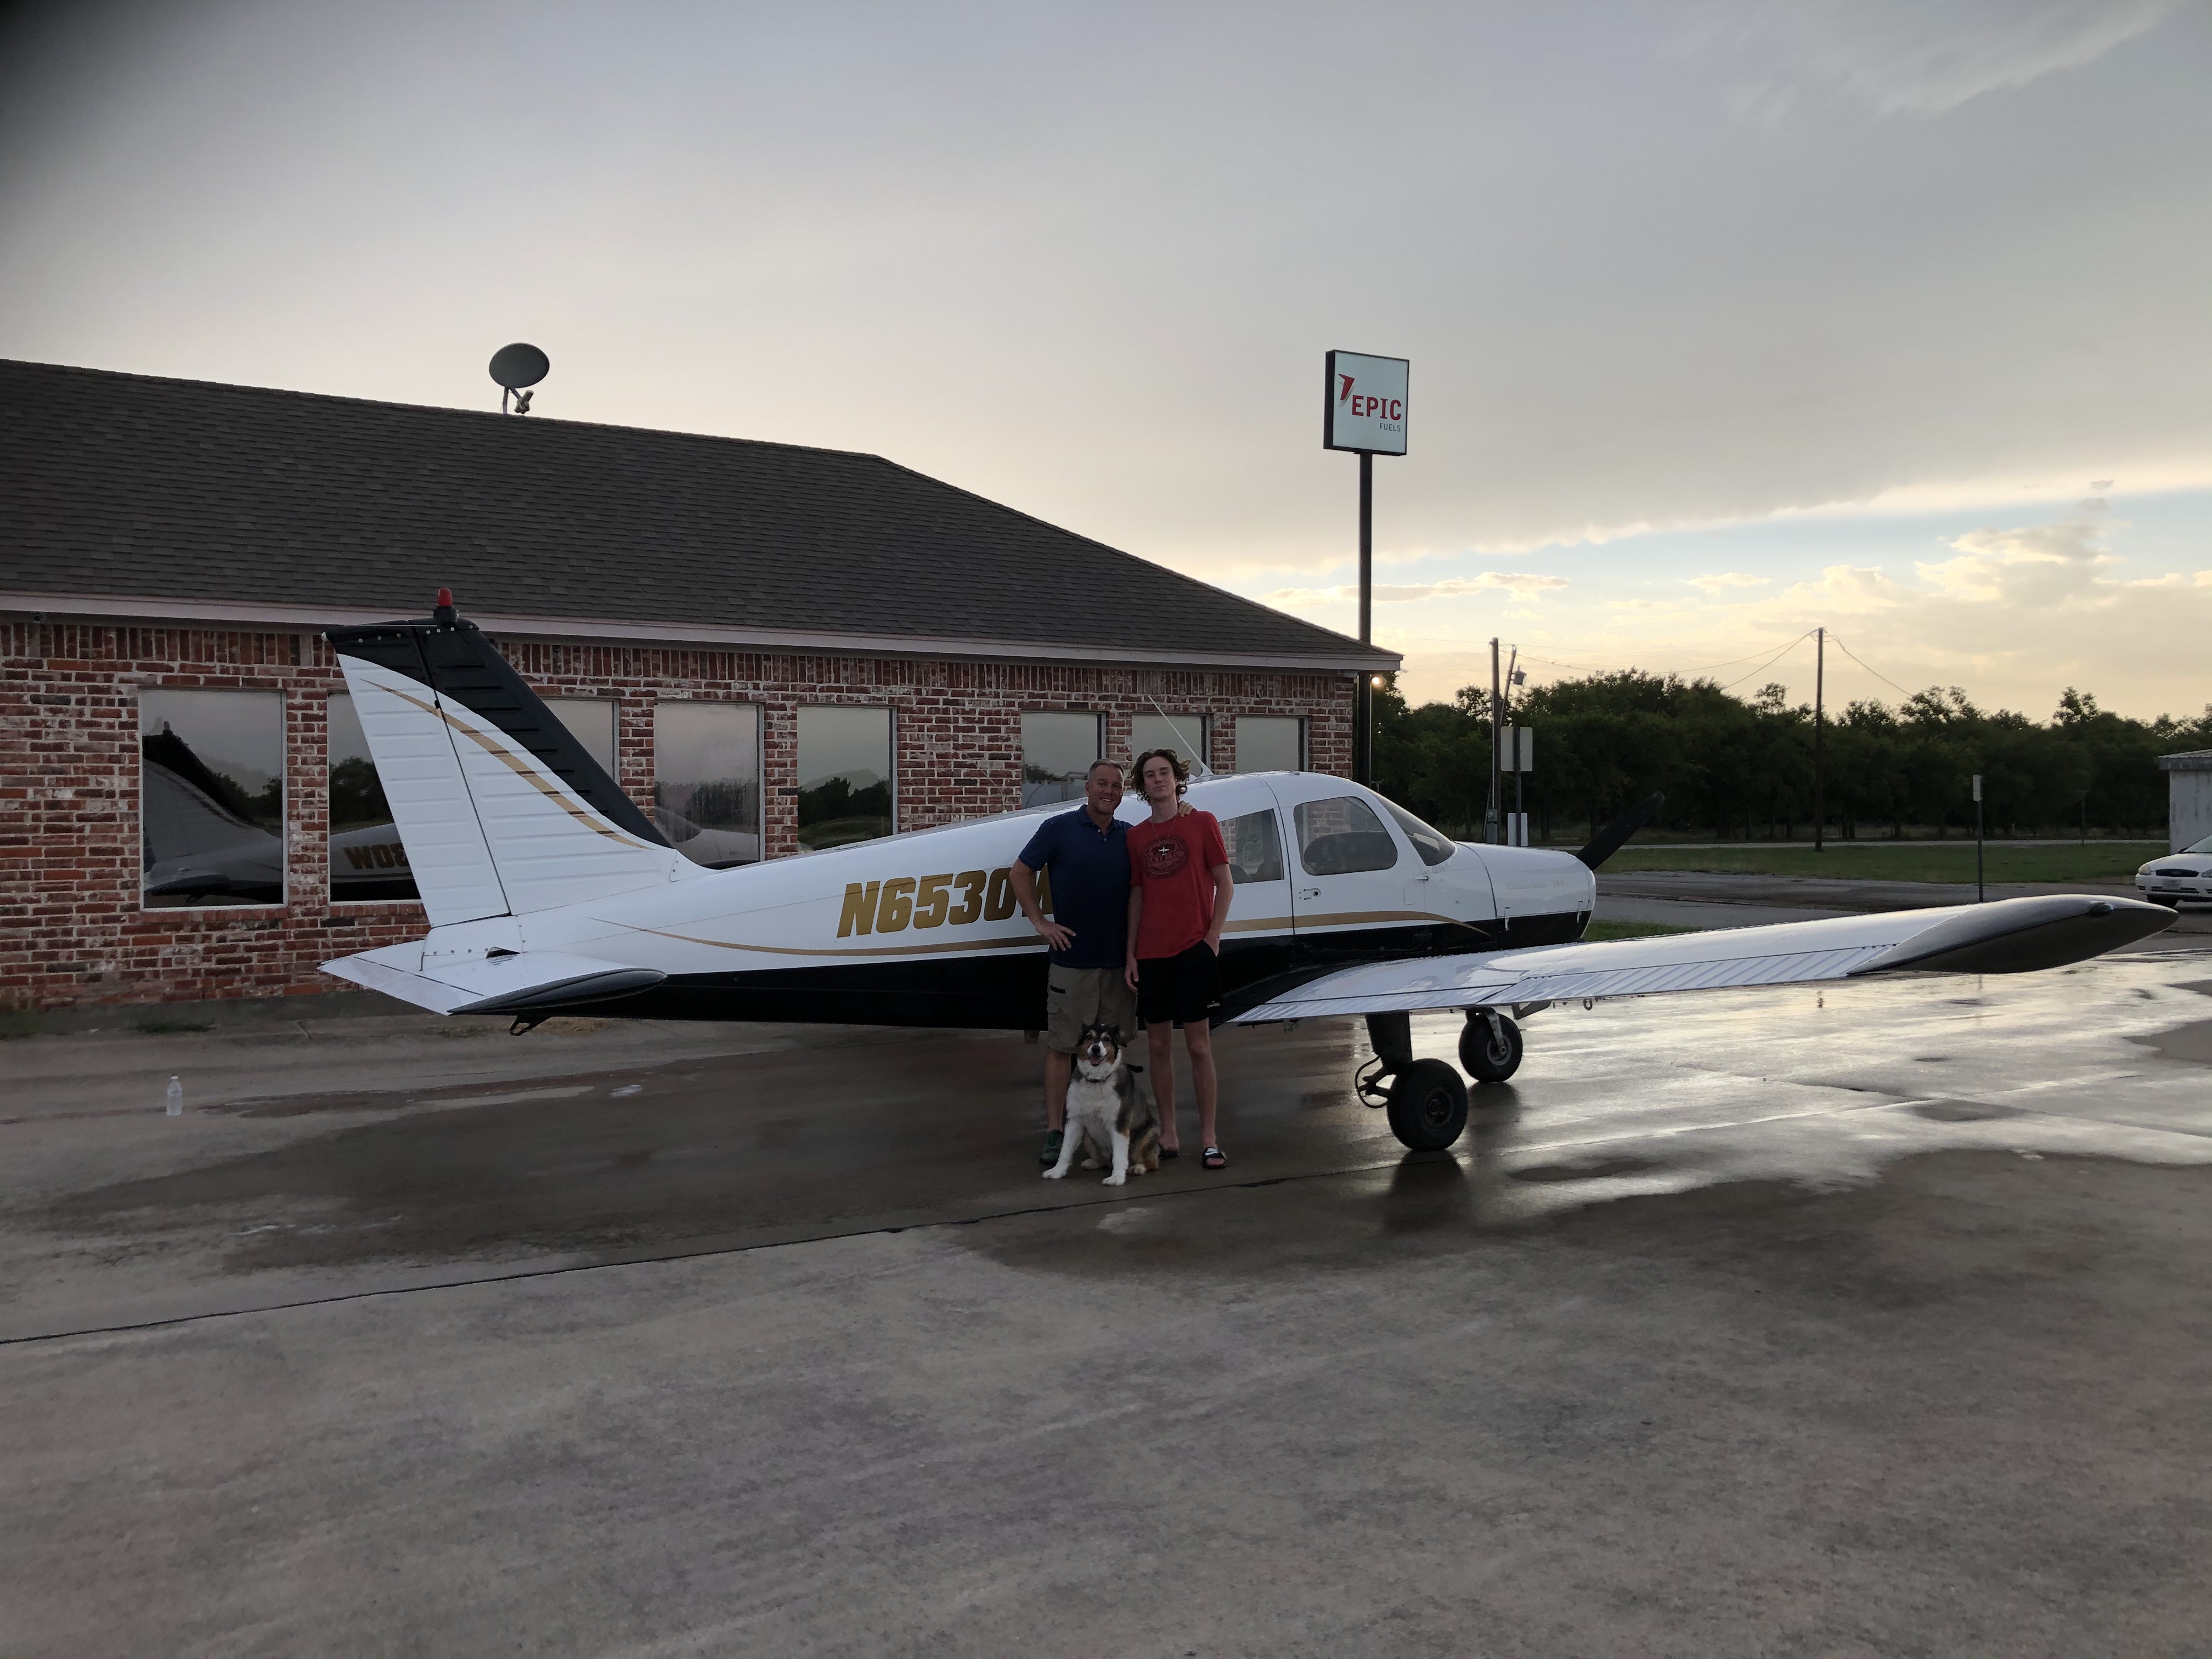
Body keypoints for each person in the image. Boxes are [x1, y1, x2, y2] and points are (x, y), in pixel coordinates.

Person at [1012, 759, 1141, 1169]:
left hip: (1118, 965)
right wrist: (1040, 922)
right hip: (1072, 963)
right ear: (1087, 788)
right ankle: (1056, 1131)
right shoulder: (1059, 828)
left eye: (1117, 786)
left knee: (1113, 1051)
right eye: (1102, 784)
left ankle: (1110, 1131)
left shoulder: (1130, 837)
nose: (1109, 791)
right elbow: (1020, 872)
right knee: (1063, 1048)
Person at [1124, 747, 1234, 1169]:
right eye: (1149, 775)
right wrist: (1131, 953)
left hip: (1194, 951)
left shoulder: (1202, 823)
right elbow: (1136, 896)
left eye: (1164, 772)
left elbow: (1225, 884)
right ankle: (1169, 1133)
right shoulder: (1135, 838)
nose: (1158, 780)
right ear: (1143, 785)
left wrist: (1212, 938)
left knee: (1200, 1047)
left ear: (1177, 778)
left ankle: (1208, 1137)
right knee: (1156, 1047)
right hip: (1151, 955)